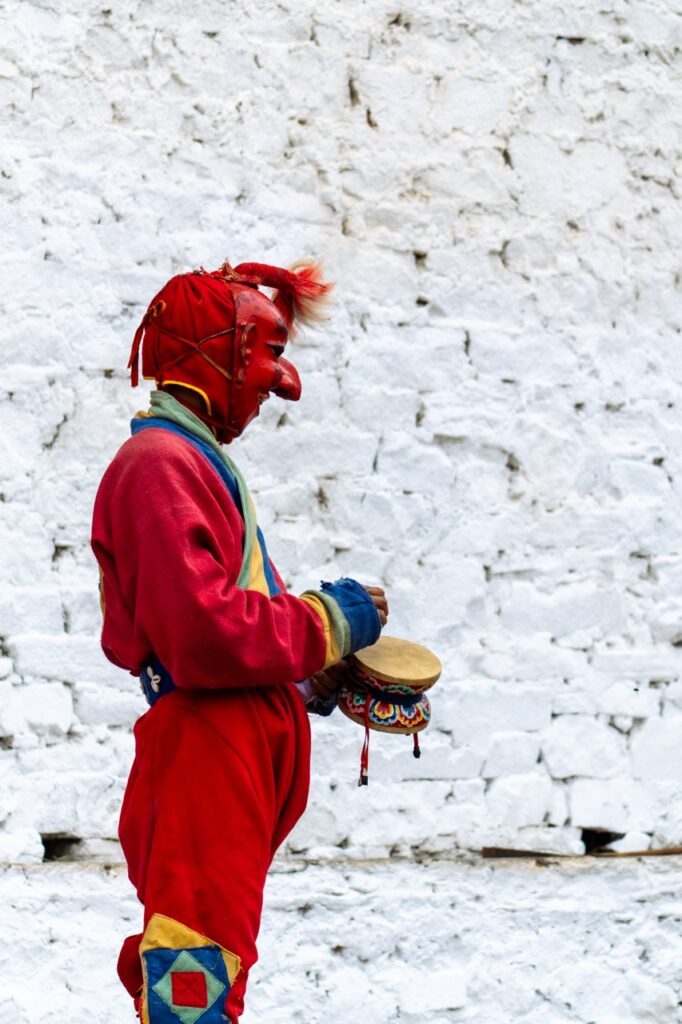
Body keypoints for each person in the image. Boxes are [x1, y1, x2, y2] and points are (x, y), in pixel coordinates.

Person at [90, 258, 388, 1023]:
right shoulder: (159, 466)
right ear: (214, 351)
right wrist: (330, 621)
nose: (280, 383)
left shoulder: (191, 462)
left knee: (211, 971)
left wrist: (309, 681)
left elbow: (224, 623)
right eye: (270, 352)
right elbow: (205, 638)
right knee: (195, 978)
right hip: (205, 761)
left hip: (228, 756)